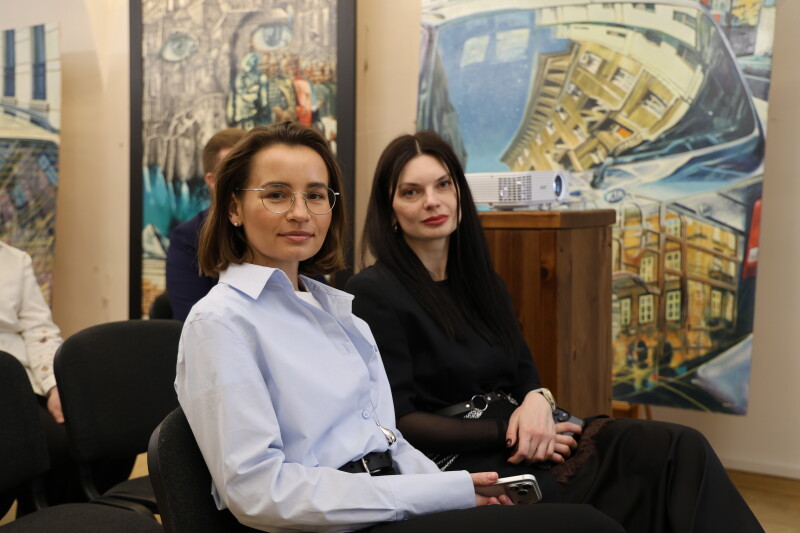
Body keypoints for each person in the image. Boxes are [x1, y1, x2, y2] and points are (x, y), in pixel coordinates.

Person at [175, 122, 624, 533]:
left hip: (391, 498)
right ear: (233, 208)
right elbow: (259, 492)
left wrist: (455, 490)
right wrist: (432, 494)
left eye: (315, 195)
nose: (300, 212)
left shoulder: (337, 310)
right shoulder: (220, 323)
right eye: (276, 195)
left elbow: (390, 443)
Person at [344, 131, 764, 533]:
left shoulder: (484, 283)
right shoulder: (373, 293)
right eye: (411, 192)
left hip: (533, 435)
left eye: (443, 185)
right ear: (390, 211)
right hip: (465, 460)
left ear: (459, 194)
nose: (432, 201)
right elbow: (400, 420)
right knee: (615, 496)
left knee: (679, 447)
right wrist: (514, 430)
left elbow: (525, 373)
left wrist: (538, 403)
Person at [0, 241, 130, 515]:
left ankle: (83, 518)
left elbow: (40, 331)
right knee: (53, 447)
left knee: (107, 431)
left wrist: (54, 386)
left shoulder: (15, 260)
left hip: (24, 379)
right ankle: (43, 519)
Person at [166, 127, 246, 321]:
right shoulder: (188, 238)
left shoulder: (281, 229)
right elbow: (195, 322)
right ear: (212, 181)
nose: (246, 182)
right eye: (233, 173)